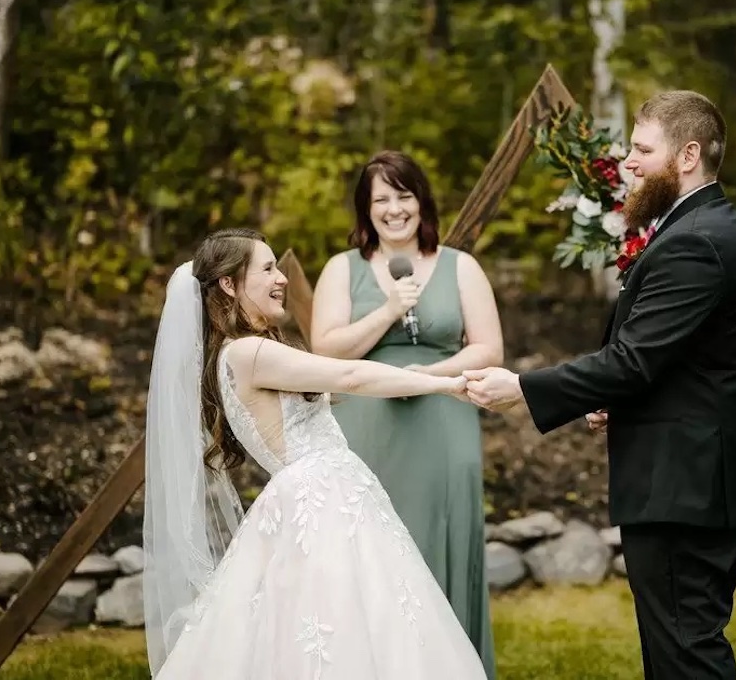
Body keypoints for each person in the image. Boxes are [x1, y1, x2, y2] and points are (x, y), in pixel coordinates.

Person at [463, 91, 736, 679]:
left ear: (688, 155)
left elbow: (632, 361)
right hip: (686, 481)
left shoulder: (696, 241)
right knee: (677, 649)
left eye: (642, 148)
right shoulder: (697, 227)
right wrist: (616, 400)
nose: (628, 160)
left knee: (686, 655)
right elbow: (673, 361)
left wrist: (523, 388)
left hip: (683, 487)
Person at [142, 228, 488, 680]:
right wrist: (447, 384)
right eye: (266, 269)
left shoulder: (236, 354)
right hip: (322, 504)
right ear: (228, 284)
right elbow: (350, 377)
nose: (280, 277)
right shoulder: (248, 352)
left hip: (323, 496)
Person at [309, 151, 500, 677]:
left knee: (440, 536)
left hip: (443, 420)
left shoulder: (461, 266)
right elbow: (325, 351)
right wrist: (390, 309)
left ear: (422, 200)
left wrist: (425, 378)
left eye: (404, 195)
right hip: (367, 426)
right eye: (381, 199)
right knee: (369, 550)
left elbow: (488, 349)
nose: (395, 209)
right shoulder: (341, 270)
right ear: (365, 210)